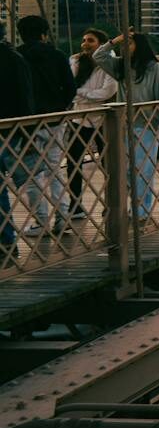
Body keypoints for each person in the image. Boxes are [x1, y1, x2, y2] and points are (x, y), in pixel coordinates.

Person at [93, 30, 159, 223]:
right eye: (123, 45)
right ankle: (134, 207)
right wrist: (114, 40)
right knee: (126, 171)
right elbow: (98, 56)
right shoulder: (121, 66)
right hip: (124, 125)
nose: (124, 47)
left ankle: (141, 211)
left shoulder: (153, 68)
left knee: (142, 170)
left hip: (146, 125)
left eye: (128, 44)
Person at [16, 16, 73, 237]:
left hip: (26, 123)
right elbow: (70, 87)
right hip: (54, 121)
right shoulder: (58, 55)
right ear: (44, 33)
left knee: (32, 174)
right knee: (55, 170)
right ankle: (63, 219)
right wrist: (60, 108)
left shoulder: (16, 56)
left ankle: (40, 222)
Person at [65, 29, 115, 220]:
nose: (85, 44)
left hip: (104, 119)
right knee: (73, 162)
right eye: (84, 40)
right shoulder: (76, 61)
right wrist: (84, 94)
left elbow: (108, 92)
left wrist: (81, 94)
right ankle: (75, 205)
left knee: (108, 164)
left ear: (101, 44)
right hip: (79, 118)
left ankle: (112, 204)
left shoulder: (109, 63)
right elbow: (70, 88)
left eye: (91, 41)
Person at [0, 25, 36, 253]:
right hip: (10, 129)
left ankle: (6, 239)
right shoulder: (14, 58)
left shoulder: (12, 58)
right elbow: (25, 96)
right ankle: (6, 240)